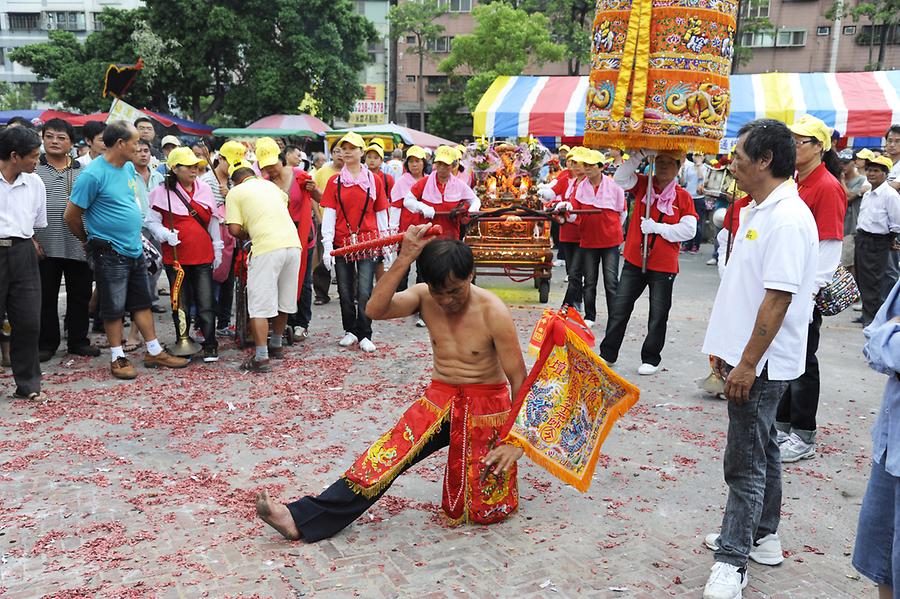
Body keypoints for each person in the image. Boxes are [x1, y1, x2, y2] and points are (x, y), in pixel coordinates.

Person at [255, 227, 527, 542]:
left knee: (482, 509)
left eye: (455, 290)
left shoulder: (494, 312)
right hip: (439, 399)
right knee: (383, 458)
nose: (447, 300)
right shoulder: (425, 297)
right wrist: (404, 258)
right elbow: (375, 310)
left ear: (471, 276)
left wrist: (514, 442)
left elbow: (518, 380)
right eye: (439, 292)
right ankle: (299, 518)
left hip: (486, 408)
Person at [700, 118, 818, 599]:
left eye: (739, 156)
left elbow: (778, 298)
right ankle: (763, 536)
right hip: (746, 354)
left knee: (744, 460)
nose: (731, 164)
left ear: (765, 160)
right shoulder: (758, 208)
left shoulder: (787, 217)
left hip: (762, 362)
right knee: (764, 446)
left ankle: (733, 559)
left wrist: (747, 363)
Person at [65, 120, 189, 380]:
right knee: (113, 307)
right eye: (134, 142)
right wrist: (88, 241)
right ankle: (117, 356)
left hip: (134, 247)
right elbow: (71, 215)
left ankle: (153, 350)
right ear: (120, 144)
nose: (140, 146)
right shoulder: (93, 174)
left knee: (141, 302)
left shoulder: (127, 167)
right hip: (109, 251)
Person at [775, 115, 847, 463]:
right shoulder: (797, 181)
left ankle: (803, 433)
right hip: (791, 284)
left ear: (819, 147)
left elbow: (829, 246)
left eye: (799, 141)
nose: (793, 147)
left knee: (804, 361)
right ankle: (783, 424)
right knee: (789, 355)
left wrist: (809, 294)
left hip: (806, 290)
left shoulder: (827, 186)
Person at [600, 149, 697, 375]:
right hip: (635, 259)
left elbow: (689, 230)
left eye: (668, 163)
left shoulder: (683, 197)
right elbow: (620, 179)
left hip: (663, 265)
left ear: (678, 166)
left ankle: (651, 357)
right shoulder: (644, 185)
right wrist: (639, 155)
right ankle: (608, 353)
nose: (663, 166)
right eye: (659, 161)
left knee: (658, 313)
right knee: (619, 308)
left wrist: (658, 228)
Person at [146, 147, 222, 363]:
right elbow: (152, 221)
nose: (193, 170)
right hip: (176, 255)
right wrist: (163, 234)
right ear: (175, 168)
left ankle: (210, 343)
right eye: (188, 166)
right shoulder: (161, 191)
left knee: (206, 301)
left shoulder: (205, 188)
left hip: (202, 253)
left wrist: (217, 248)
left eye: (195, 166)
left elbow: (214, 220)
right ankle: (183, 340)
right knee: (180, 301)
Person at [33, 119, 100, 362]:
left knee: (80, 296)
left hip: (78, 243)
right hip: (44, 244)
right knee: (45, 297)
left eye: (61, 138)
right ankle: (47, 342)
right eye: (49, 136)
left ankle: (78, 341)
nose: (54, 141)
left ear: (72, 143)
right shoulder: (33, 169)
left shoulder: (82, 170)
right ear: (42, 138)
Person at [225, 161, 302, 371]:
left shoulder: (236, 192)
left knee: (259, 305)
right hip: (293, 245)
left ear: (236, 181)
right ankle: (276, 344)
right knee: (283, 299)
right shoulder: (271, 187)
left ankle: (261, 357)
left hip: (267, 247)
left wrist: (247, 234)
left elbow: (233, 229)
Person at [851, 279, 900, 599]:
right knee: (882, 556)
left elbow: (887, 346)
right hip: (891, 438)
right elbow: (875, 340)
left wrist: (888, 332)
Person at [321, 132, 389, 353]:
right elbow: (330, 214)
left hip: (368, 241)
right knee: (345, 289)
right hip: (342, 241)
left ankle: (365, 333)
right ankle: (350, 329)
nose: (347, 152)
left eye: (353, 148)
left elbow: (380, 213)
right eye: (344, 148)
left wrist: (385, 242)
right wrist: (327, 245)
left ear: (362, 151)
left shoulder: (374, 180)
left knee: (364, 290)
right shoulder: (335, 181)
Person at [256, 137, 320, 341]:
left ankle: (301, 322)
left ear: (281, 158)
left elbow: (321, 198)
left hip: (301, 233)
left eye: (272, 165)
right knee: (280, 281)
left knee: (303, 280)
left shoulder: (300, 176)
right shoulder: (264, 184)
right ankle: (281, 323)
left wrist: (313, 190)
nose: (270, 170)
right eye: (265, 167)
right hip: (276, 236)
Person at [0, 126, 46, 400]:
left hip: (23, 252)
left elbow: (38, 222)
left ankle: (28, 384)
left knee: (28, 321)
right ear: (14, 156)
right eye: (33, 156)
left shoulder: (35, 183)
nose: (37, 162)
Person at [558, 149, 625, 327]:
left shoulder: (615, 187)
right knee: (590, 280)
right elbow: (575, 214)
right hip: (588, 240)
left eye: (590, 165)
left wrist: (611, 228)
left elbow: (622, 212)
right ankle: (590, 315)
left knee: (611, 281)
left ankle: (615, 317)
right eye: (584, 165)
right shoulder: (581, 187)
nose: (586, 169)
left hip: (610, 240)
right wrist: (565, 213)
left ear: (600, 167)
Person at [201, 140, 246, 336]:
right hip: (214, 239)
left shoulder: (234, 182)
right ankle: (204, 323)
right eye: (230, 162)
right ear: (220, 159)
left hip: (232, 237)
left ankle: (224, 322)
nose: (233, 168)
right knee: (211, 282)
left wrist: (232, 195)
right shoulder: (206, 182)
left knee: (229, 282)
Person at [855, 156, 900, 326]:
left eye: (876, 170)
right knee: (863, 281)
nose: (871, 173)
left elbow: (896, 222)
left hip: (878, 241)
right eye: (869, 170)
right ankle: (867, 316)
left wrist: (890, 240)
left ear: (885, 174)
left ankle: (873, 321)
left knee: (874, 283)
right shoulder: (868, 194)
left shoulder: (890, 195)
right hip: (863, 238)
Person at [403, 145, 480, 242]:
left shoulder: (460, 185)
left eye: (446, 164)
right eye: (439, 163)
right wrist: (422, 207)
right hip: (427, 237)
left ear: (453, 165)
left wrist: (472, 210)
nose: (442, 167)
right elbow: (408, 200)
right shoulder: (425, 182)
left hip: (451, 236)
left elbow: (475, 200)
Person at [132, 138, 166, 319]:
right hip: (137, 228)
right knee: (136, 267)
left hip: (157, 226)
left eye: (146, 150)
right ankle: (137, 303)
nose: (143, 154)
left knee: (156, 264)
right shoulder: (127, 176)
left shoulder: (158, 177)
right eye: (138, 151)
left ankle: (151, 300)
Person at [390, 145, 429, 296]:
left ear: (423, 163)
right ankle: (400, 298)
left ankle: (421, 299)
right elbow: (395, 206)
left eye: (418, 161)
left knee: (423, 267)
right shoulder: (401, 182)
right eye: (411, 161)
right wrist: (393, 229)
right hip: (406, 229)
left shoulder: (429, 180)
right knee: (403, 266)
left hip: (425, 230)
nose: (414, 164)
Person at [312, 140, 345, 306]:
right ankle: (321, 293)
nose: (341, 154)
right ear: (331, 154)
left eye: (345, 150)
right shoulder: (323, 171)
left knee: (347, 259)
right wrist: (319, 216)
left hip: (347, 225)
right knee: (323, 259)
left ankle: (347, 293)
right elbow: (313, 194)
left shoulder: (353, 172)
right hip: (326, 222)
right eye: (338, 151)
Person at [365, 142, 395, 281]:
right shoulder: (360, 176)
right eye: (369, 156)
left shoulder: (387, 179)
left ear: (381, 161)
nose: (372, 160)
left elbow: (392, 201)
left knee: (380, 258)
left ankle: (380, 289)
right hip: (365, 221)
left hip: (382, 220)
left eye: (375, 157)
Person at [839, 148, 871, 279]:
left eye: (846, 163)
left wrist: (841, 181)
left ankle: (853, 295)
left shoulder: (862, 180)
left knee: (849, 264)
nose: (843, 166)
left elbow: (848, 198)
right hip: (839, 226)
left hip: (852, 227)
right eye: (841, 163)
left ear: (854, 163)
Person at [883, 125, 900, 298]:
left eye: (897, 141)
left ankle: (889, 311)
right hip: (880, 224)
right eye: (889, 141)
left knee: (891, 270)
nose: (892, 145)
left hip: (895, 224)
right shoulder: (884, 164)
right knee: (879, 269)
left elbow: (895, 186)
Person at [680, 153, 709, 254]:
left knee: (698, 222)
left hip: (699, 197)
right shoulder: (689, 167)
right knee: (686, 220)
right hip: (689, 196)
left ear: (703, 157)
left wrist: (699, 165)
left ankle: (696, 245)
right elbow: (683, 182)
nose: (697, 157)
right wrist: (682, 171)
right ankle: (686, 244)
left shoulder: (705, 168)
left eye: (699, 155)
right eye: (695, 155)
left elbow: (702, 178)